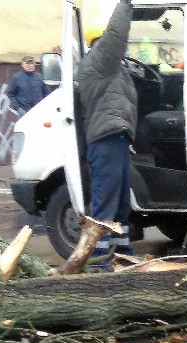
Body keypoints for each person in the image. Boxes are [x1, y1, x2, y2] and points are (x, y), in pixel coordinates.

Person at [77, 0, 138, 269]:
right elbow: (116, 35)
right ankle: (98, 261)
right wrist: (126, 4)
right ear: (98, 41)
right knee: (105, 204)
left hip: (118, 138)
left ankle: (121, 251)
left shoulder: (110, 68)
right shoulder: (99, 61)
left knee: (121, 203)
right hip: (106, 140)